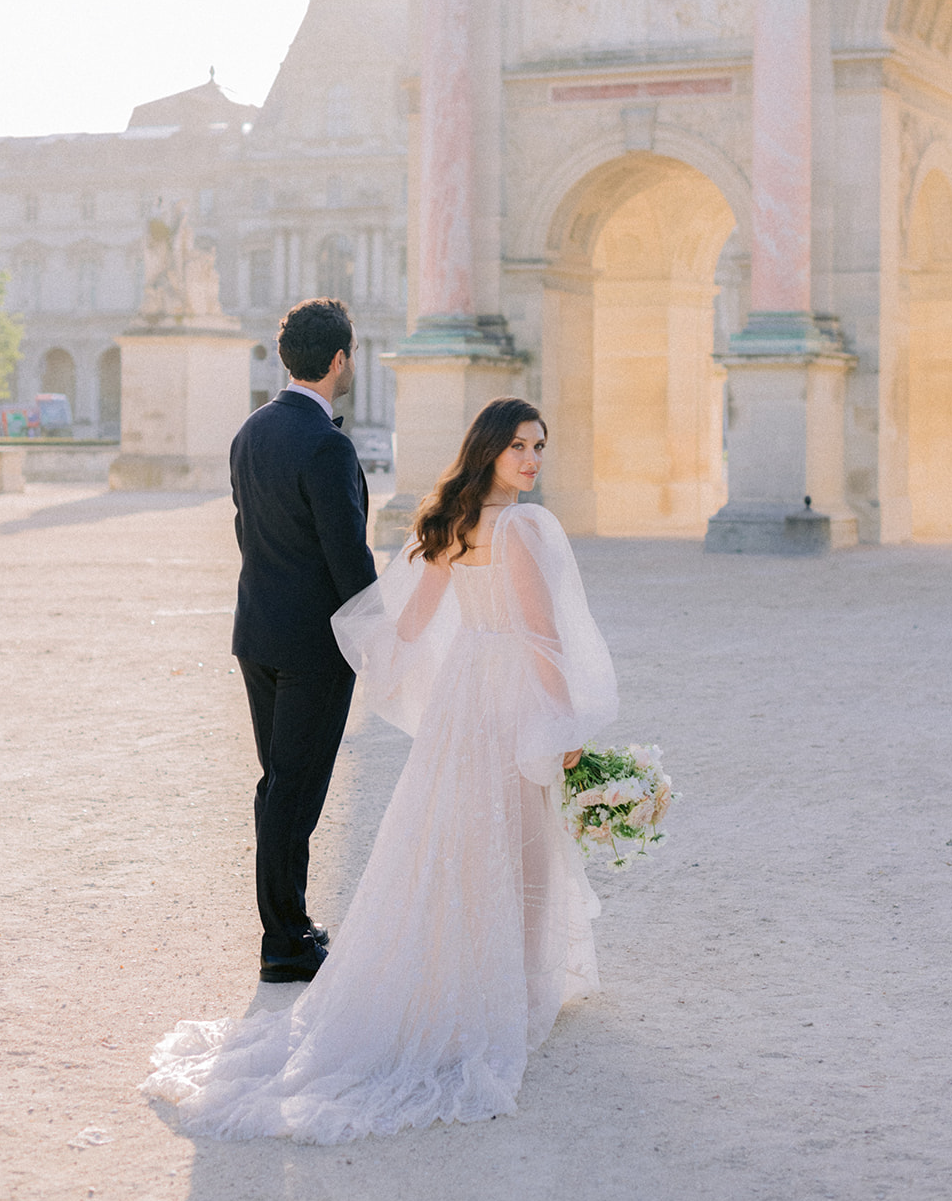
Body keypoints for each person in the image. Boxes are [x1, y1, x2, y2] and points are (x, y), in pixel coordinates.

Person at [143, 398, 618, 1142]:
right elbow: (541, 634)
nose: (531, 461)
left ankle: (472, 982)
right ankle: (521, 992)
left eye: (538, 448)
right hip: (508, 694)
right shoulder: (525, 525)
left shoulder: (450, 525)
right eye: (520, 446)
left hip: (466, 696)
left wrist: (388, 676)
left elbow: (404, 629)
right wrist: (566, 725)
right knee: (522, 840)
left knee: (454, 839)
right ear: (490, 449)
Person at [229, 297, 377, 984]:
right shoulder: (326, 444)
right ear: (340, 358)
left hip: (257, 631)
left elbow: (249, 535)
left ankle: (288, 925)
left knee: (279, 786)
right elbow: (348, 560)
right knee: (294, 791)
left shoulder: (251, 430)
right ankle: (285, 941)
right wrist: (384, 638)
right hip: (314, 646)